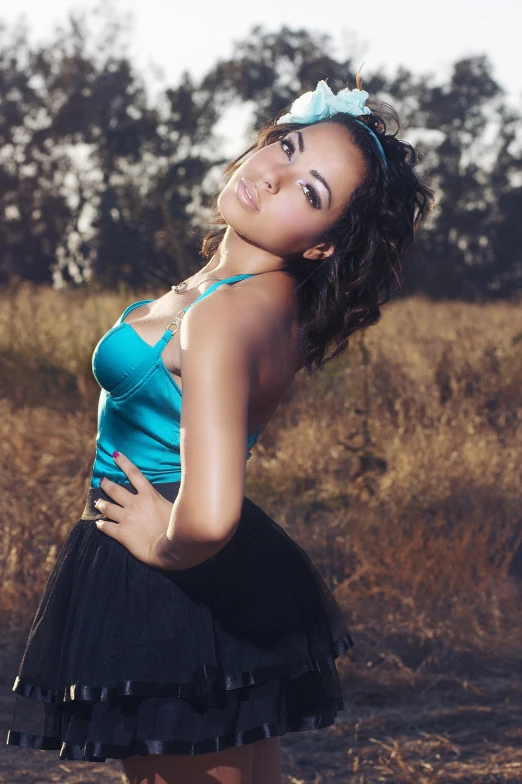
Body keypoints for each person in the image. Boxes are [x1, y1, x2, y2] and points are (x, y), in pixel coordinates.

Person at [6, 77, 434, 783]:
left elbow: (207, 518)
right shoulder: (250, 298)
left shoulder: (225, 314)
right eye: (286, 148)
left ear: (325, 246)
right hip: (205, 577)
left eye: (310, 192)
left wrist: (164, 546)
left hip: (173, 578)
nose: (272, 176)